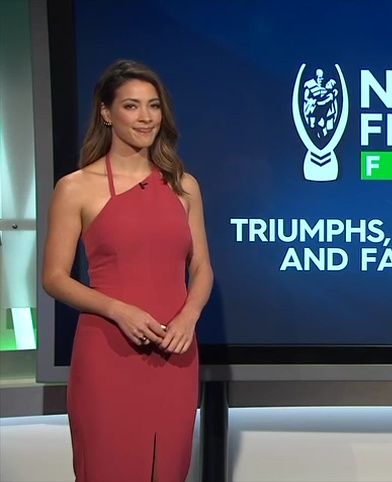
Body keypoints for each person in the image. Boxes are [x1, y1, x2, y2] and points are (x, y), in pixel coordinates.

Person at [43, 60, 213, 481]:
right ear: (106, 112)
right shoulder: (76, 187)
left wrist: (188, 317)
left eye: (153, 106)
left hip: (176, 353)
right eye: (132, 106)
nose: (146, 117)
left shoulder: (184, 186)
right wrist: (119, 310)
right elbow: (55, 278)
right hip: (108, 352)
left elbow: (201, 267)